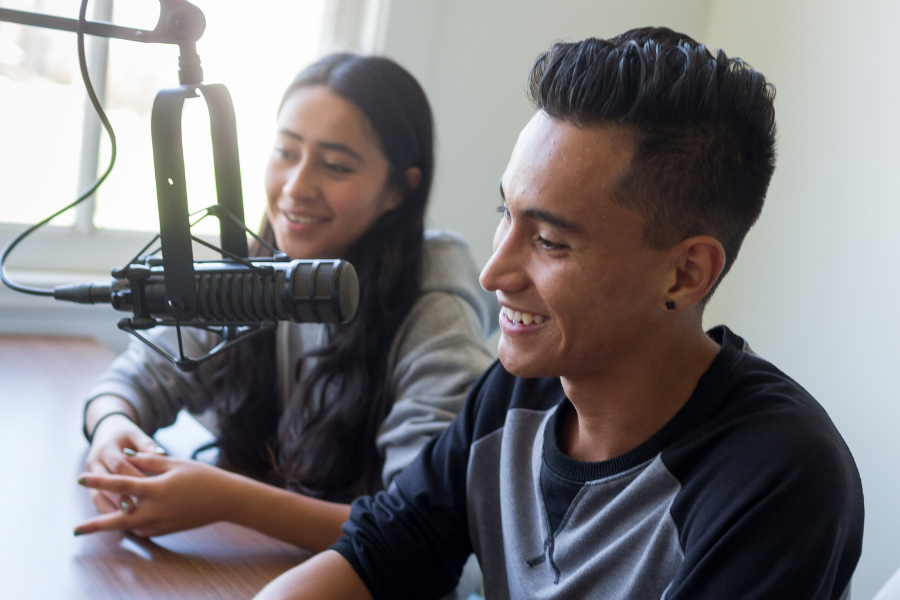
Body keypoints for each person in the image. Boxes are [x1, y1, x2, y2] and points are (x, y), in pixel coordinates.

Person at [253, 27, 864, 600]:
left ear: (685, 274)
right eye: (506, 213)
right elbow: (381, 551)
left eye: (549, 241)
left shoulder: (778, 477)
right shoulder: (518, 392)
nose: (494, 274)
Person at [73, 52, 496, 582]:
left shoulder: (432, 299)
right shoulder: (254, 265)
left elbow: (419, 528)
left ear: (399, 189)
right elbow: (132, 382)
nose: (296, 186)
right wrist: (112, 430)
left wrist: (229, 499)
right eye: (286, 152)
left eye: (335, 165)